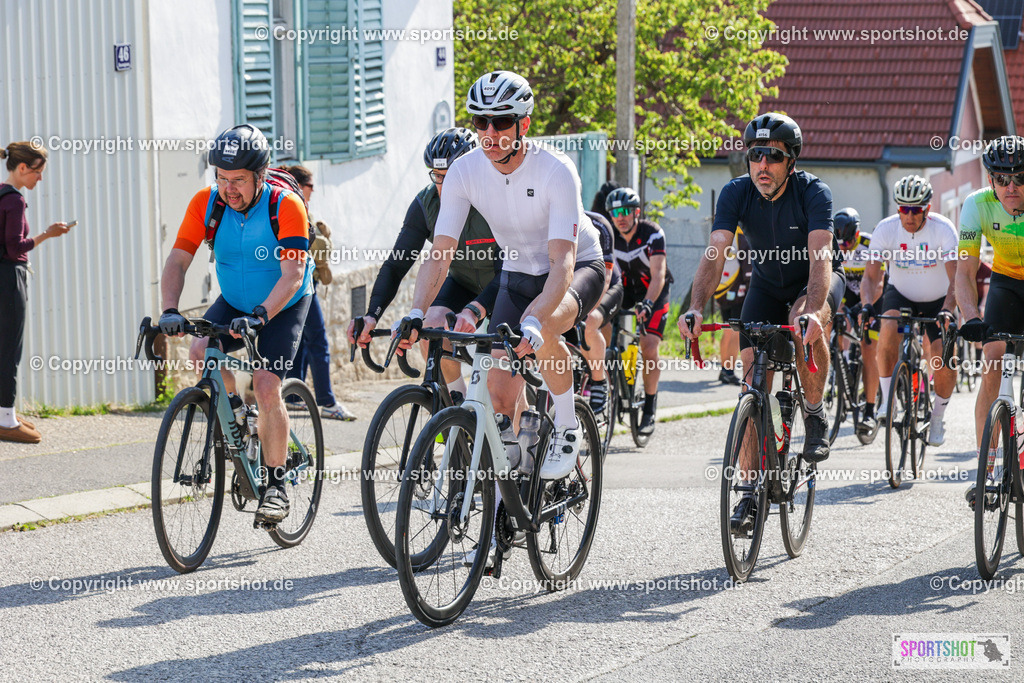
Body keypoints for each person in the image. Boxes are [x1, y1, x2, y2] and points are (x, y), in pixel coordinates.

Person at [398, 70, 606, 485]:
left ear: (524, 123)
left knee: (543, 327)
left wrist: (534, 319)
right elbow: (441, 253)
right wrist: (417, 313)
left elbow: (562, 263)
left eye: (501, 121)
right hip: (517, 271)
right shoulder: (464, 171)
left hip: (576, 266)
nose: (489, 132)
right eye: (480, 121)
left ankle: (568, 426)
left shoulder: (555, 170)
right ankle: (513, 475)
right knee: (497, 391)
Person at [678, 112, 845, 535]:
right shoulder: (736, 193)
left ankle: (813, 410)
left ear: (791, 160)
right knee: (753, 381)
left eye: (773, 156)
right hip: (767, 285)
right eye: (755, 155)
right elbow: (715, 253)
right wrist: (696, 306)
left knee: (804, 322)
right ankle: (751, 491)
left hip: (813, 282)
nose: (762, 165)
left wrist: (812, 309)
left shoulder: (813, 193)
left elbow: (821, 258)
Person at [158, 124, 313, 525]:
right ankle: (241, 418)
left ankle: (276, 486)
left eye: (239, 180)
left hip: (283, 301)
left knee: (265, 383)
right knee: (200, 352)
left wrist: (262, 315)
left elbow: (293, 274)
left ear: (260, 175)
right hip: (234, 299)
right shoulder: (207, 204)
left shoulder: (285, 206)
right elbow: (177, 260)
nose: (229, 189)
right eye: (222, 179)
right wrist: (170, 310)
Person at [347, 127, 501, 399]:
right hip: (463, 281)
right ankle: (457, 408)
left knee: (501, 384)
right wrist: (372, 315)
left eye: (452, 176)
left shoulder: (497, 197)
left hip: (505, 284)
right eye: (437, 176)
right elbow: (396, 265)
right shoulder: (427, 202)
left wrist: (476, 312)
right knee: (432, 328)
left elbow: (510, 271)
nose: (443, 186)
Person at [860, 176, 957, 445]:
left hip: (938, 300)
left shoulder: (943, 229)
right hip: (901, 294)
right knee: (888, 328)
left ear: (927, 208)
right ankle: (887, 401)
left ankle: (937, 417)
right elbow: (870, 278)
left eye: (916, 210)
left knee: (943, 356)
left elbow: (956, 280)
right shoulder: (886, 229)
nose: (910, 215)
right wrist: (868, 304)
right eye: (904, 208)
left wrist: (948, 310)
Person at [956, 136, 1024, 507]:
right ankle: (989, 469)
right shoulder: (976, 204)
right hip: (1007, 284)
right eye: (1001, 179)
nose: (1010, 187)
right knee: (992, 364)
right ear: (990, 179)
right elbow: (965, 270)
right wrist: (970, 316)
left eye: (1019, 178)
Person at [0, 141, 73, 444]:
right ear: (21, 168)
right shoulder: (15, 200)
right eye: (37, 172)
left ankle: (6, 413)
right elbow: (15, 246)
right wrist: (47, 234)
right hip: (10, 277)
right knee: (10, 348)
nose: (39, 178)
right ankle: (6, 418)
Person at [283, 165, 357, 421]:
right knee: (319, 342)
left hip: (292, 284)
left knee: (301, 341)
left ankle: (293, 398)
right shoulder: (297, 208)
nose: (314, 190)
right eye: (311, 185)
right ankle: (327, 402)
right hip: (302, 284)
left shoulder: (288, 206)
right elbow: (318, 247)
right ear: (300, 185)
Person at [606, 187, 672, 433]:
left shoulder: (652, 233)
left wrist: (647, 303)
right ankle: (605, 389)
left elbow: (659, 275)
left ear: (636, 212)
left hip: (652, 292)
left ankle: (650, 406)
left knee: (649, 346)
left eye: (625, 212)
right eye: (614, 213)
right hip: (622, 292)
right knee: (600, 332)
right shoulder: (609, 234)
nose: (620, 217)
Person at [833, 207, 882, 432]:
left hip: (874, 295)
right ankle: (841, 368)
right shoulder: (834, 245)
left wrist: (863, 308)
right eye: (840, 243)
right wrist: (840, 308)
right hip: (849, 292)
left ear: (857, 232)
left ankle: (870, 410)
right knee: (836, 324)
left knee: (868, 348)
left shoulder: (870, 244)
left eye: (848, 241)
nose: (845, 247)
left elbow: (878, 283)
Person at [580, 209, 622, 415]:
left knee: (589, 321)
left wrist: (585, 309)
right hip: (575, 286)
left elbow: (605, 278)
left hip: (607, 285)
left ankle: (598, 381)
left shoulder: (599, 224)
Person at [714, 225, 751, 385]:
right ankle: (728, 371)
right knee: (735, 332)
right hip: (738, 291)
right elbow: (748, 265)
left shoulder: (722, 232)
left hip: (721, 290)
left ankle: (725, 369)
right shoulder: (742, 234)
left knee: (727, 330)